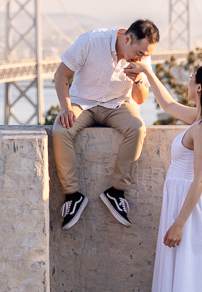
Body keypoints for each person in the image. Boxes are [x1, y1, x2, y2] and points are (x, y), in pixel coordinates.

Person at [123, 60, 202, 292]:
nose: (188, 80)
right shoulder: (199, 118)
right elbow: (167, 104)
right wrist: (146, 71)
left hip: (193, 204)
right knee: (188, 268)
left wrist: (179, 224)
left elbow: (201, 178)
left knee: (195, 269)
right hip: (184, 197)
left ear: (199, 88)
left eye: (192, 76)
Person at [52, 19, 159, 229]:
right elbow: (61, 74)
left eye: (146, 54)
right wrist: (65, 108)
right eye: (139, 52)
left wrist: (138, 79)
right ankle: (72, 196)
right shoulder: (92, 40)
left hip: (117, 105)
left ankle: (116, 192)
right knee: (59, 130)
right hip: (82, 102)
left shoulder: (142, 58)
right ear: (127, 38)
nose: (142, 57)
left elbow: (140, 98)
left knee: (137, 128)